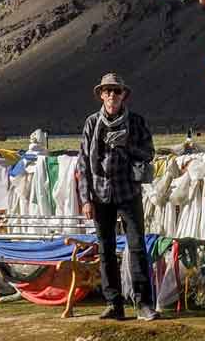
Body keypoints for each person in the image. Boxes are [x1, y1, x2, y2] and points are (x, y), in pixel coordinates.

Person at [76, 72, 157, 321]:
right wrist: (86, 199)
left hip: (128, 192)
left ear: (124, 95)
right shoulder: (92, 123)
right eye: (107, 91)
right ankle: (114, 304)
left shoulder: (136, 122)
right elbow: (83, 165)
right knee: (106, 250)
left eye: (116, 91)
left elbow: (149, 153)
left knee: (136, 248)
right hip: (100, 195)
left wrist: (127, 145)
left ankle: (143, 303)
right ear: (101, 95)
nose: (112, 95)